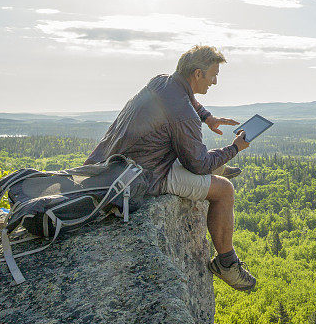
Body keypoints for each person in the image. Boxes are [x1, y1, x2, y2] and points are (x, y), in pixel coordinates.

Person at [84, 45, 256, 292]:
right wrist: (235, 148)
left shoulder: (161, 82)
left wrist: (208, 117)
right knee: (225, 190)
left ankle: (219, 169)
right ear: (198, 74)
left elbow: (189, 100)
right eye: (213, 75)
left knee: (209, 163)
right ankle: (227, 265)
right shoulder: (183, 114)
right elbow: (198, 164)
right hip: (147, 174)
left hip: (118, 160)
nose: (215, 82)